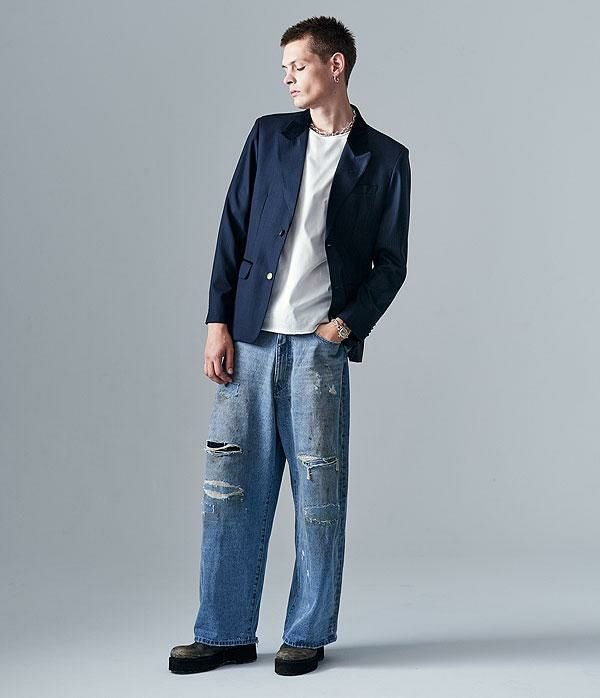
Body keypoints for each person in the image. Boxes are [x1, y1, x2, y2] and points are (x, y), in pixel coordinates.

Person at [169, 15, 411, 677]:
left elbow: (391, 263)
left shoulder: (385, 159)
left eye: (298, 66)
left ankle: (306, 632)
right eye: (284, 69)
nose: (288, 78)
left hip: (317, 353)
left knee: (319, 495)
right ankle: (223, 632)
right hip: (250, 339)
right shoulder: (268, 137)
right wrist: (217, 322)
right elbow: (233, 227)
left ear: (335, 65)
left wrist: (345, 327)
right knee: (229, 489)